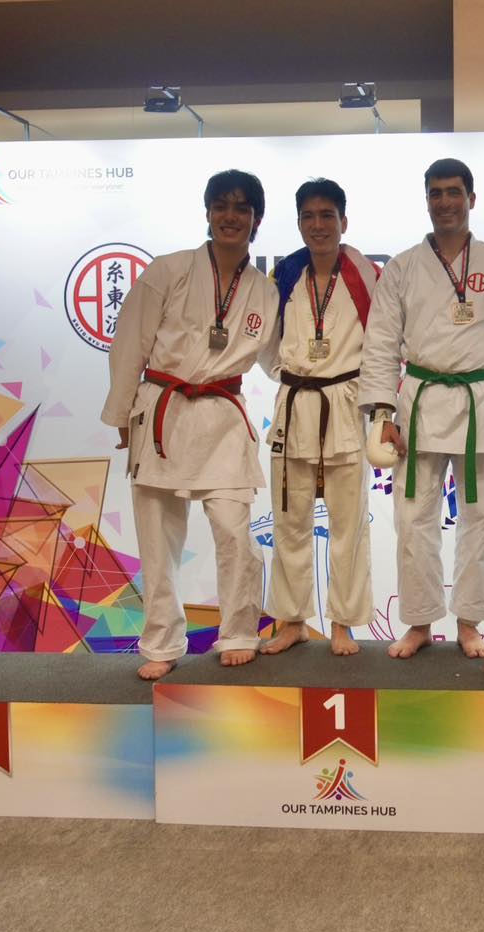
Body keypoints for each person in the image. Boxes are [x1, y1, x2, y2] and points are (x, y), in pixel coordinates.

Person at [359, 158, 484, 659]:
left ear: (471, 199)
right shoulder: (402, 267)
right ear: (427, 200)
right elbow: (379, 342)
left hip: (480, 403)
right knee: (412, 518)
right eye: (437, 192)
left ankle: (470, 622)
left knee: (481, 519)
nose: (446, 201)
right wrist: (382, 415)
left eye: (454, 192)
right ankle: (419, 622)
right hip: (418, 402)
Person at [101, 170, 277, 679]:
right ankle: (161, 640)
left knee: (234, 533)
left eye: (241, 208)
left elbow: (278, 361)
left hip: (222, 414)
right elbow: (129, 343)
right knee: (158, 538)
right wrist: (122, 414)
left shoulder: (264, 292)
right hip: (163, 411)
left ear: (255, 220)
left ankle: (240, 629)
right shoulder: (169, 270)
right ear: (207, 213)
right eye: (221, 206)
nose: (230, 216)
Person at [258, 178, 380, 658]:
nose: (318, 225)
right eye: (308, 216)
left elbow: (385, 340)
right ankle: (292, 619)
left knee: (349, 522)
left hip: (345, 405)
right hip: (296, 403)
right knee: (289, 517)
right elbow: (267, 342)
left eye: (327, 215)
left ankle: (344, 622)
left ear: (343, 221)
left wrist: (369, 397)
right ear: (299, 224)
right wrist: (292, 377)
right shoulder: (285, 273)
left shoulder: (366, 273)